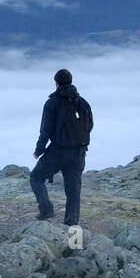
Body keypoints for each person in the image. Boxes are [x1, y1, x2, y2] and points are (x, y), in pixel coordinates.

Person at [30, 69, 93, 225]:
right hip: (79, 152)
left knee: (36, 177)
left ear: (56, 83)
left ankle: (46, 210)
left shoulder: (52, 103)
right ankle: (71, 224)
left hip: (59, 152)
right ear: (71, 81)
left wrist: (39, 150)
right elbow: (90, 125)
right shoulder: (83, 102)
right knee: (73, 191)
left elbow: (46, 130)